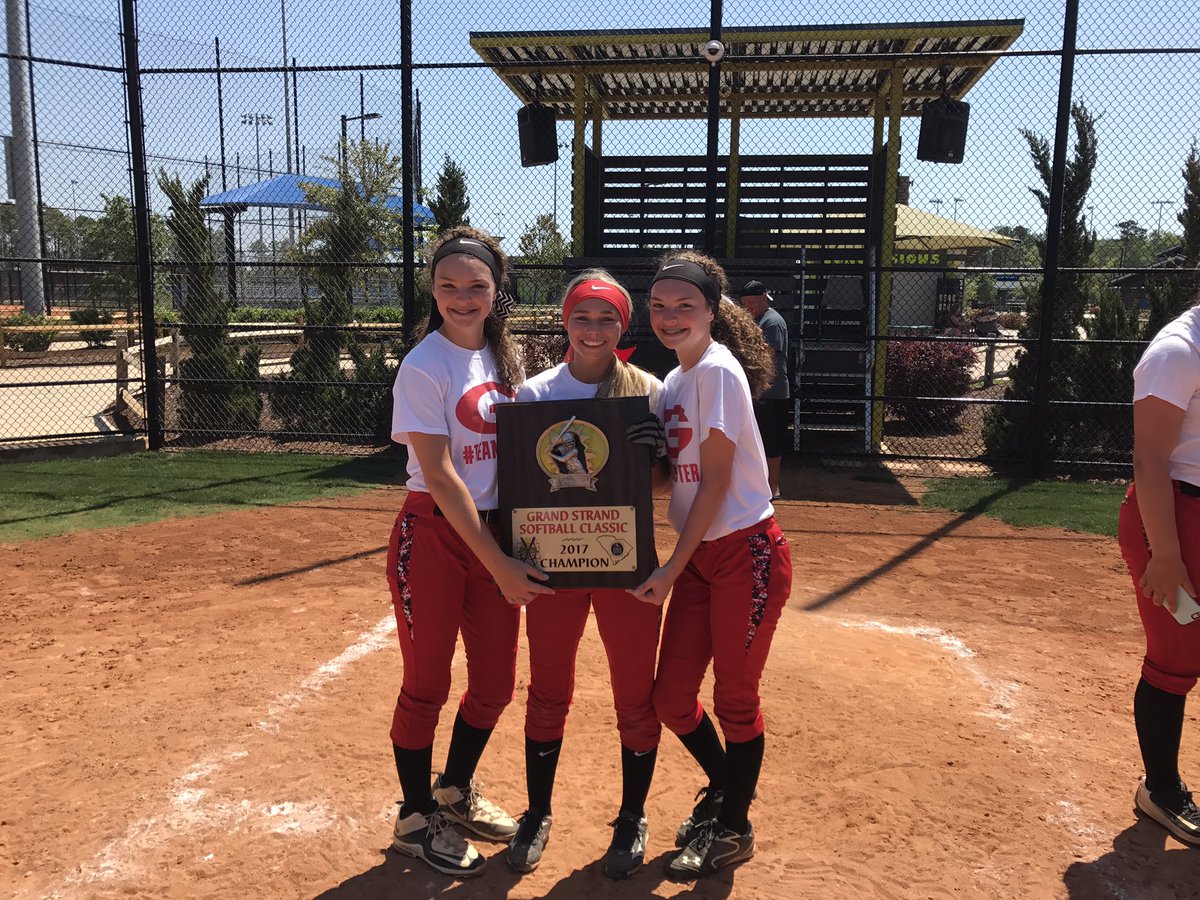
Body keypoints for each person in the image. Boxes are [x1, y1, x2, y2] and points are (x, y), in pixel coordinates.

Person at [387, 225, 549, 877]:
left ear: (496, 289)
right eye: (449, 285)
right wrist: (498, 560)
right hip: (433, 534)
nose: (463, 296)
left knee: (493, 685)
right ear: (432, 289)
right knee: (427, 685)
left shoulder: (504, 359)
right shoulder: (425, 364)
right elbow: (444, 474)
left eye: (476, 285)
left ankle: (453, 789)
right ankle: (414, 817)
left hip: (492, 534)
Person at [632, 251, 794, 880]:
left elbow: (720, 484)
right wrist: (645, 459)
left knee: (734, 700)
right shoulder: (674, 381)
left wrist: (670, 569)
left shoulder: (719, 372)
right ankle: (728, 793)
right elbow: (682, 475)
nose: (670, 317)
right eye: (660, 305)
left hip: (744, 553)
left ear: (711, 311)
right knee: (672, 699)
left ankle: (733, 827)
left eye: (685, 306)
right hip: (701, 556)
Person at [507, 269, 669, 878]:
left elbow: (654, 486)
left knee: (635, 692)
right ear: (565, 321)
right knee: (548, 687)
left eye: (606, 319)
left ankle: (632, 816)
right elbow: (520, 487)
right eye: (582, 317)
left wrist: (656, 453)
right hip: (553, 565)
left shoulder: (647, 390)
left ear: (622, 326)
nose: (594, 329)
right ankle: (538, 809)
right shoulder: (534, 396)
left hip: (624, 562)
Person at [1118, 297, 1200, 846]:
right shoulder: (1176, 352)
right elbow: (1149, 459)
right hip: (1174, 520)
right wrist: (1166, 557)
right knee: (1179, 656)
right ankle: (1161, 788)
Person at [739, 280, 790, 499]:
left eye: (752, 302)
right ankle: (757, 486)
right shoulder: (755, 320)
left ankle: (773, 487)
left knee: (771, 441)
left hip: (773, 392)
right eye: (745, 303)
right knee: (755, 440)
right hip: (757, 390)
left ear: (764, 297)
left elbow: (767, 355)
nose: (749, 306)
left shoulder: (772, 321)